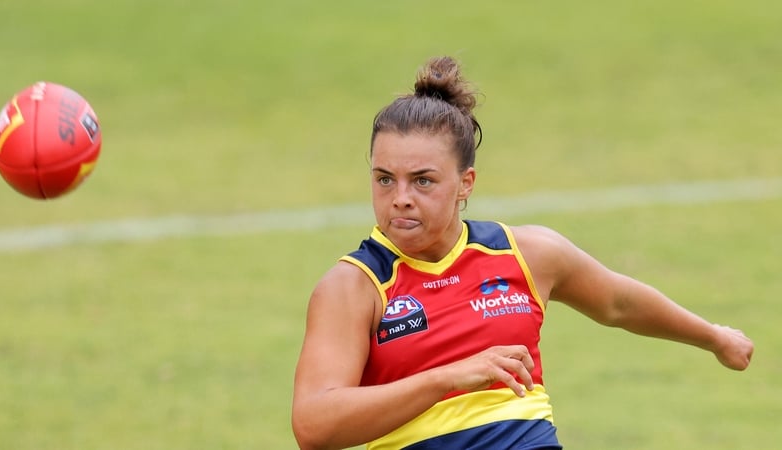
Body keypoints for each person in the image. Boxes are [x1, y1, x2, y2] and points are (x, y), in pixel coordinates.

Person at [291, 56, 754, 450]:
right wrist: (446, 378)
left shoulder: (525, 253)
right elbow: (313, 424)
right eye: (384, 178)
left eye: (423, 180)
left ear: (465, 184)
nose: (401, 197)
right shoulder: (355, 286)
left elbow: (619, 303)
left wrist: (714, 336)